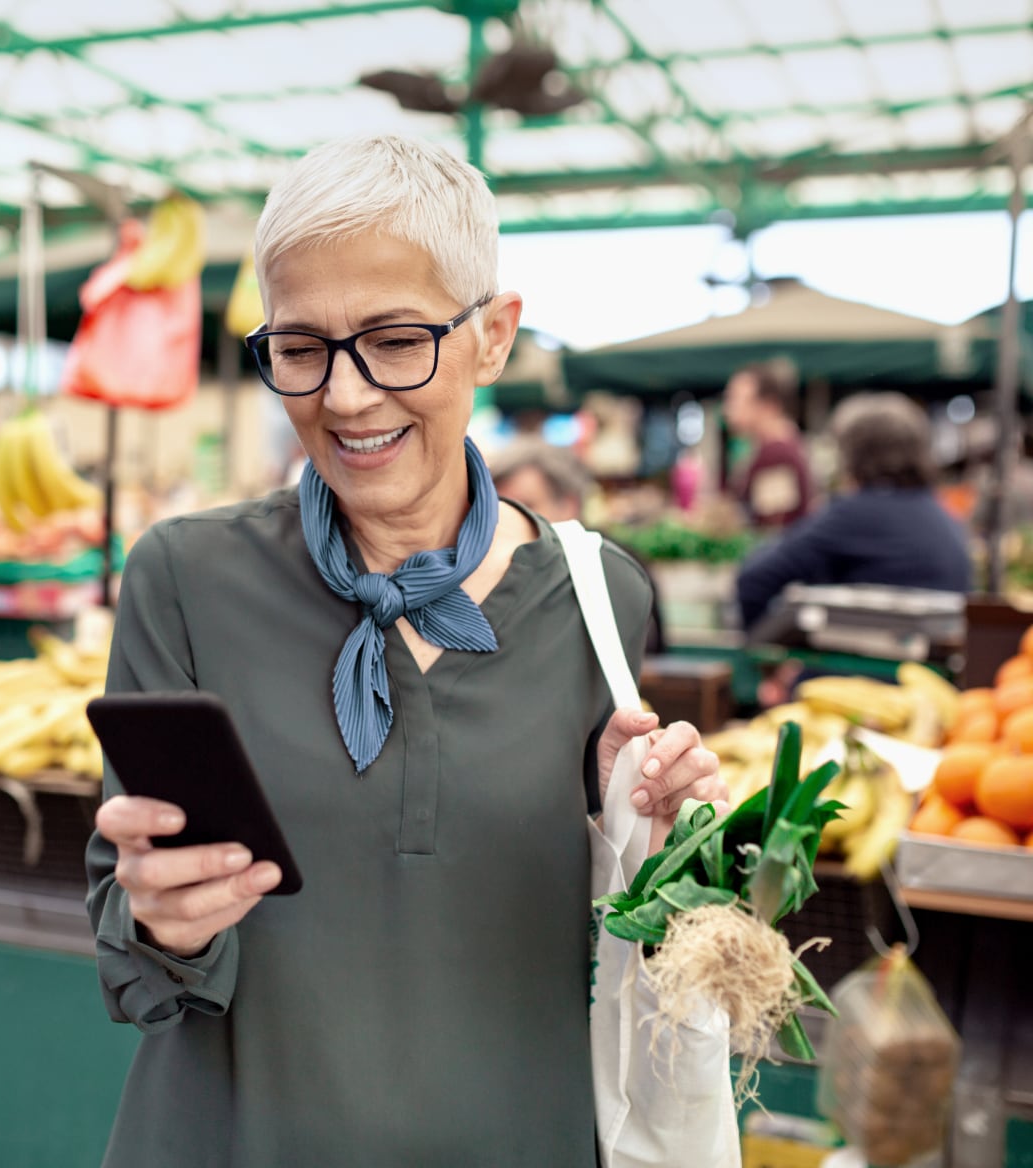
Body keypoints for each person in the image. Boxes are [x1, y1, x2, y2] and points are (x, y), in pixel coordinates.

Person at [86, 135, 726, 1168]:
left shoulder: (601, 597)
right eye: (300, 349)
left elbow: (641, 942)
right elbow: (132, 953)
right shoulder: (183, 579)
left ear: (492, 336)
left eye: (393, 341)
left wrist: (644, 826)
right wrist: (166, 921)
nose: (343, 397)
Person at [737, 391, 972, 630]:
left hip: (870, 663)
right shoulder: (944, 515)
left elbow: (754, 579)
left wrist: (767, 653)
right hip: (929, 662)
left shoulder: (857, 514)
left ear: (853, 456)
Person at [488, 435, 666, 654]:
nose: (507, 520)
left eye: (525, 507)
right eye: (499, 508)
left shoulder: (613, 569)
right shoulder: (488, 572)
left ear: (568, 506)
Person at [723, 358, 812, 528]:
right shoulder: (779, 445)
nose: (728, 409)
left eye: (735, 399)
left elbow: (774, 525)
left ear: (769, 405)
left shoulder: (776, 453)